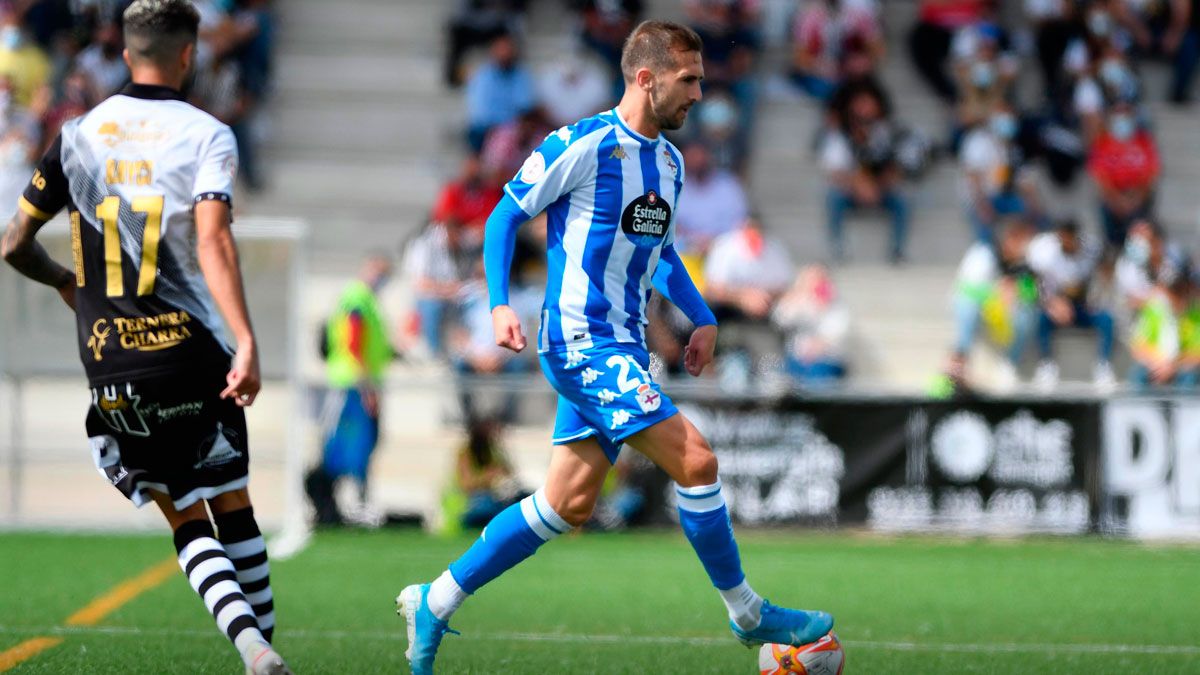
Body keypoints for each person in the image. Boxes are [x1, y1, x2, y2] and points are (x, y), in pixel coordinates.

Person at [397, 21, 833, 674]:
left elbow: (659, 253)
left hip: (624, 348)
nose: (699, 95)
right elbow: (504, 215)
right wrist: (494, 302)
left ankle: (436, 598)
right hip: (578, 342)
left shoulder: (670, 163)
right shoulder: (584, 143)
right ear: (646, 78)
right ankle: (747, 611)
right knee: (699, 459)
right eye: (689, 81)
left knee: (564, 503)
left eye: (702, 82)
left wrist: (701, 313)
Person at [0, 2, 288, 672]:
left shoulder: (75, 136)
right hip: (193, 352)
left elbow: (13, 241)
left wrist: (68, 283)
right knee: (232, 501)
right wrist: (245, 338)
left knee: (185, 514)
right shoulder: (208, 134)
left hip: (112, 363)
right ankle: (268, 647)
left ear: (127, 54)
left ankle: (250, 646)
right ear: (189, 55)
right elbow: (213, 237)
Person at [314, 253, 394, 526]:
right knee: (343, 446)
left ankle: (343, 504)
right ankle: (327, 504)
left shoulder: (363, 298)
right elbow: (353, 340)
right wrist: (366, 385)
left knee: (361, 445)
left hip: (356, 382)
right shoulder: (358, 298)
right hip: (350, 383)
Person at [821, 80, 909, 263]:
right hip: (851, 191)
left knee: (901, 201)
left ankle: (897, 250)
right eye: (860, 106)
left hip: (878, 189)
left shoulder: (885, 133)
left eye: (868, 105)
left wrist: (878, 186)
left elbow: (895, 166)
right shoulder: (840, 135)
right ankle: (839, 248)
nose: (865, 111)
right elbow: (835, 172)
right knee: (833, 197)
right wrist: (859, 185)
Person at [946, 218, 1038, 391]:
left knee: (1028, 313)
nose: (1026, 247)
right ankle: (961, 360)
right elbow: (966, 288)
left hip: (1003, 315)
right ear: (1010, 239)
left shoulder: (1024, 264)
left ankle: (1009, 364)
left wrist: (1017, 292)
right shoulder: (984, 253)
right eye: (1022, 241)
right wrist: (997, 291)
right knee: (967, 304)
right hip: (978, 310)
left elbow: (1032, 294)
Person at [1027, 220, 1116, 391]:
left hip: (1082, 306)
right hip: (1054, 305)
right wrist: (1051, 304)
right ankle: (1046, 364)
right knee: (1040, 320)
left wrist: (1094, 297)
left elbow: (1106, 267)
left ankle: (1103, 366)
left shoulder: (1091, 249)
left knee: (1107, 319)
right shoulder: (1045, 252)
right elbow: (1032, 283)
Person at [772, 264, 851, 386]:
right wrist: (797, 295)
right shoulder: (802, 301)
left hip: (826, 362)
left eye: (818, 278)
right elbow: (780, 319)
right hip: (797, 362)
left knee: (818, 378)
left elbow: (838, 333)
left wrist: (823, 307)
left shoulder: (836, 305)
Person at [1129, 259, 1200, 389]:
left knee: (1190, 379)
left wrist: (1173, 366)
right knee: (1138, 375)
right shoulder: (1154, 309)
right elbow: (1138, 347)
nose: (1175, 295)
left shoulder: (1196, 314)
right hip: (1156, 366)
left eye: (1179, 290)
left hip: (1183, 369)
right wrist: (1160, 363)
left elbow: (1197, 354)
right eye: (1172, 291)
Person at [464, 31, 536, 151]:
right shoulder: (483, 76)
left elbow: (525, 105)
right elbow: (481, 113)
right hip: (486, 130)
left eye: (508, 48)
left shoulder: (521, 75)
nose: (505, 53)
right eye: (501, 49)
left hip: (512, 130)